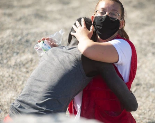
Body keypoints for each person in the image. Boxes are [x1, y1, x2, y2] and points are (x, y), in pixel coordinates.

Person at [9, 17, 137, 118]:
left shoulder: (53, 52)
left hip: (13, 114)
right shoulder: (94, 60)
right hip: (43, 120)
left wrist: (57, 48)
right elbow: (132, 104)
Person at [68, 0, 138, 123]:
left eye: (113, 14)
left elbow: (89, 50)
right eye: (102, 12)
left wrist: (82, 37)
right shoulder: (86, 44)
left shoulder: (124, 46)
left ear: (121, 24)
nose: (106, 16)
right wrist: (53, 49)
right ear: (94, 18)